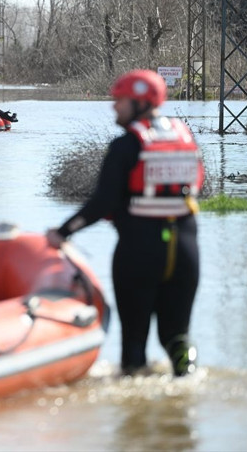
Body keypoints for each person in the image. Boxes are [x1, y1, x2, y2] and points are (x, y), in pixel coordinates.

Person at [46, 69, 204, 377]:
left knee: (134, 340)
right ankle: (187, 387)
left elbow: (103, 203)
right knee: (177, 336)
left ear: (141, 103)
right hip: (185, 250)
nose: (114, 106)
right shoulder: (185, 137)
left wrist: (63, 233)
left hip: (139, 251)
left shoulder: (126, 145)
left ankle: (134, 398)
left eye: (121, 100)